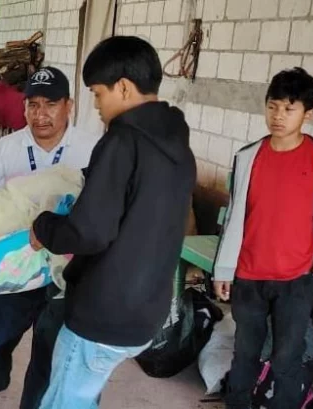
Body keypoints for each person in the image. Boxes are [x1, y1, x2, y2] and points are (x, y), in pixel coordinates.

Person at [30, 36, 196, 409]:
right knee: (84, 395)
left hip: (103, 312)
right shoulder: (178, 145)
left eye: (98, 93)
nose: (97, 105)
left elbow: (89, 231)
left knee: (63, 401)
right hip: (146, 309)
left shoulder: (122, 141)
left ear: (123, 87)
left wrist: (44, 227)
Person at [0, 66, 97, 409]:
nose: (41, 114)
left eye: (50, 104)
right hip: (12, 265)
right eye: (32, 105)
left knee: (52, 350)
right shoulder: (6, 149)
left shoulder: (92, 150)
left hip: (65, 271)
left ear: (69, 105)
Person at [213, 67, 313, 409]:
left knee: (287, 359)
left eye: (289, 108)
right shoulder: (248, 157)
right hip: (249, 275)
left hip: (296, 279)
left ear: (307, 114)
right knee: (245, 355)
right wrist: (224, 268)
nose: (278, 116)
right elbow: (236, 214)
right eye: (273, 106)